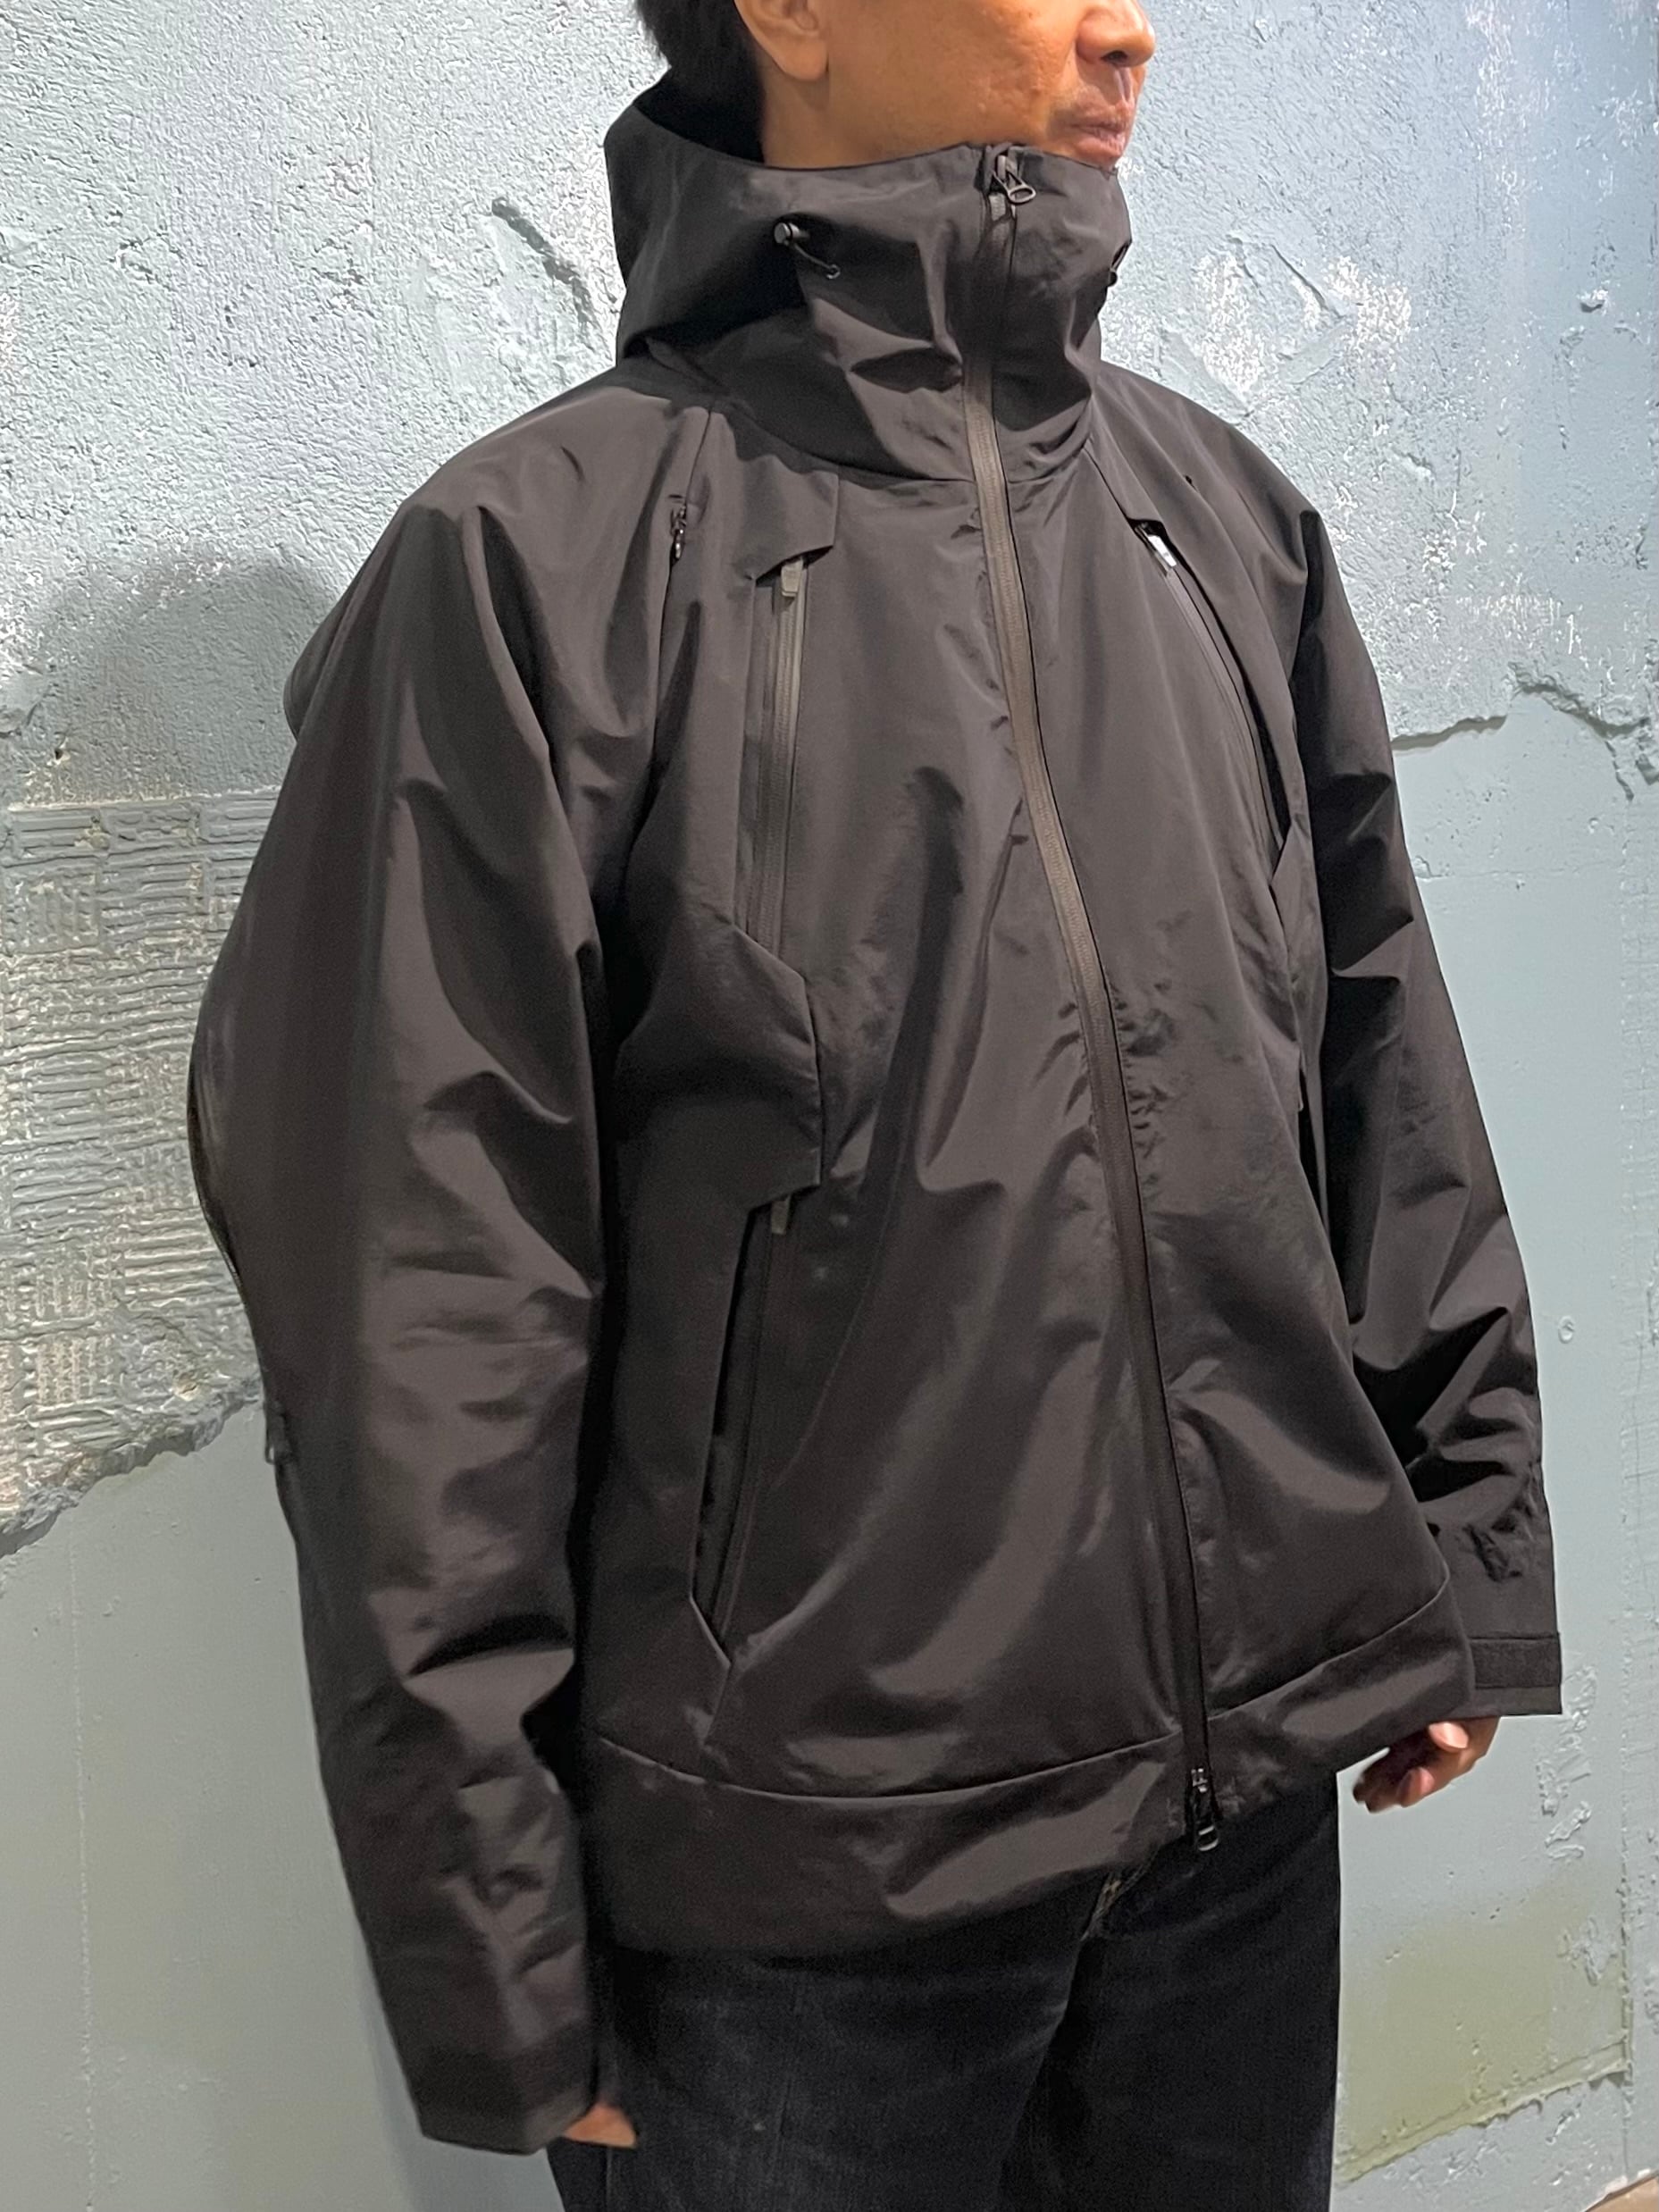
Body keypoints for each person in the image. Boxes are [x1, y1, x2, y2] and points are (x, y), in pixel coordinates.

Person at [184, 0, 1563, 2204]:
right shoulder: (532, 563)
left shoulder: (1217, 520)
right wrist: (489, 1932)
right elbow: (417, 1305)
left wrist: (1455, 1553)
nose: (1123, 24)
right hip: (790, 1916)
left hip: (1230, 1836)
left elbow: (1375, 1059)